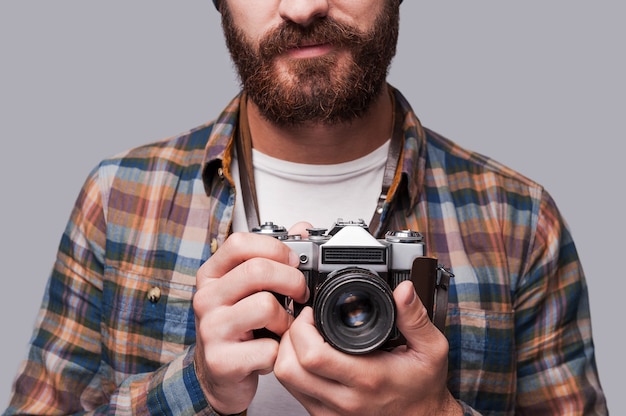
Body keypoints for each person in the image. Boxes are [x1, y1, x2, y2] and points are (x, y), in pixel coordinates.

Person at [3, 0, 608, 414]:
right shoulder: (119, 200)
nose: (303, 7)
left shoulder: (519, 220)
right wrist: (197, 386)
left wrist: (433, 411)